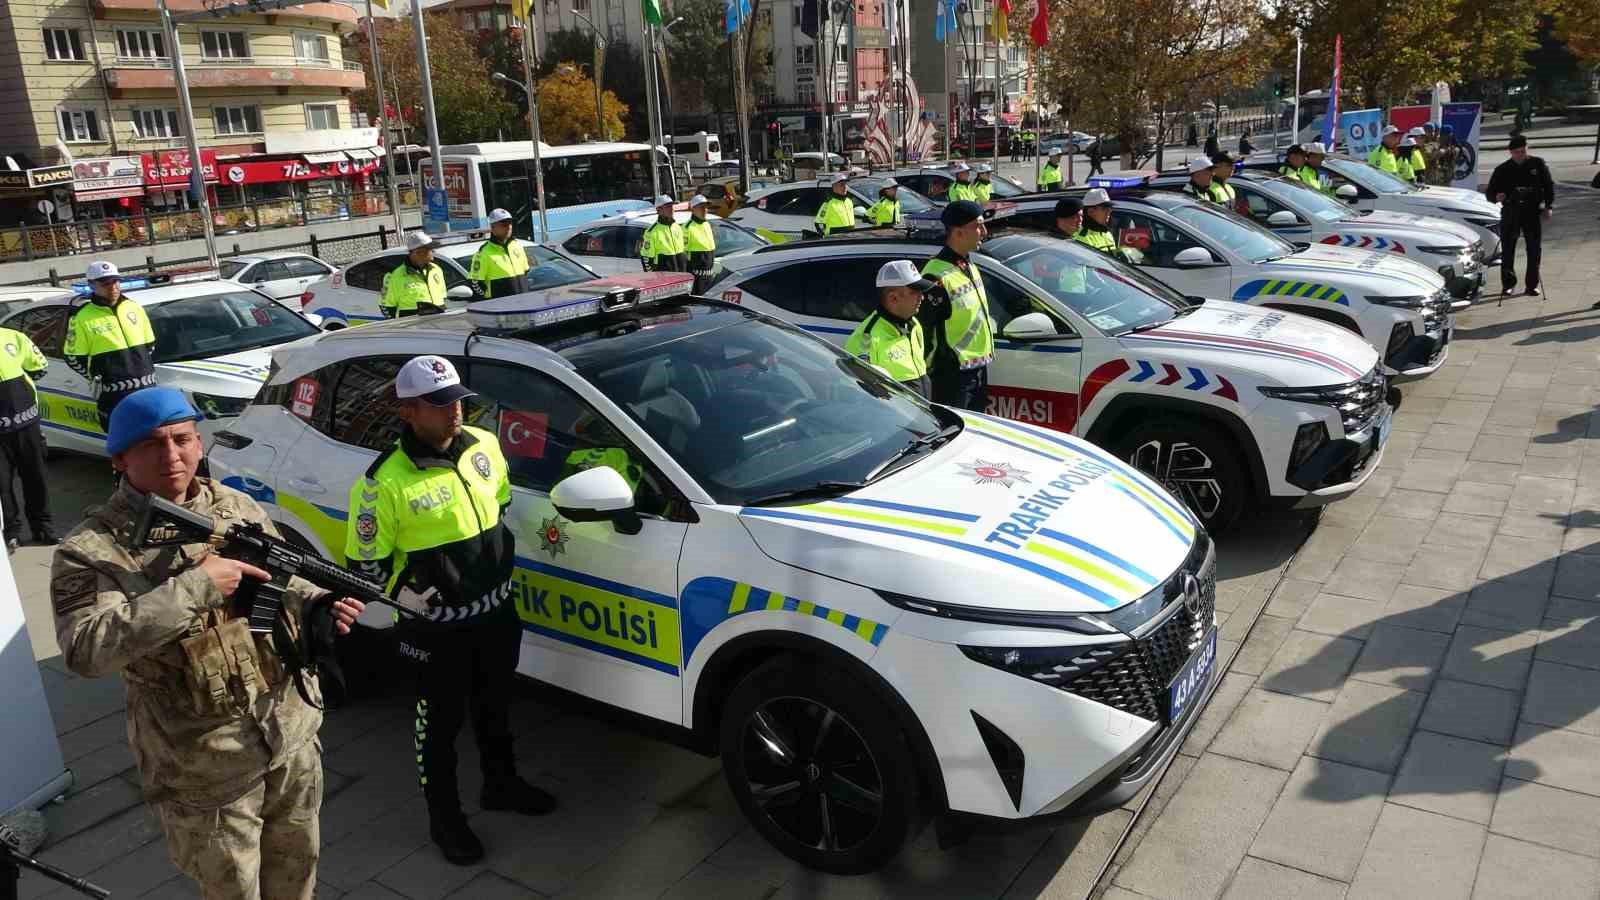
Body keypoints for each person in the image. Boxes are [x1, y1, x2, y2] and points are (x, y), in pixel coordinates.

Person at [51, 386, 364, 900]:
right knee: (233, 889)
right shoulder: (91, 550)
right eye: (153, 444)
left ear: (199, 443)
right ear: (119, 458)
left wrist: (317, 603)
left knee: (297, 872)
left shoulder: (234, 506)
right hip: (202, 765)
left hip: (288, 731)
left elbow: (281, 575)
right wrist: (195, 587)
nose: (172, 456)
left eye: (183, 439)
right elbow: (86, 650)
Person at [345, 355, 554, 866]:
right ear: (410, 411)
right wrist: (407, 592)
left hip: (495, 612)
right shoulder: (382, 484)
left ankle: (500, 784)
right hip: (435, 632)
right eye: (440, 405)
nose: (455, 411)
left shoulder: (483, 445)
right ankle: (446, 819)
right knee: (438, 728)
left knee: (496, 705)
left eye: (457, 399)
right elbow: (363, 568)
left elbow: (499, 507)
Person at [918, 200, 993, 411]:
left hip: (976, 369)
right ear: (958, 232)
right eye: (978, 226)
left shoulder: (966, 264)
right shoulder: (936, 276)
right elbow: (924, 333)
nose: (984, 232)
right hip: (952, 376)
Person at [64, 261, 156, 430]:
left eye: (115, 281)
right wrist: (100, 376)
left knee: (154, 439)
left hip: (147, 388)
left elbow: (150, 345)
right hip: (114, 394)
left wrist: (140, 368)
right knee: (123, 444)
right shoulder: (81, 317)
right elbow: (72, 357)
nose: (112, 287)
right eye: (105, 283)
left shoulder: (134, 307)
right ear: (91, 285)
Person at [845, 260, 935, 399]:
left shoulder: (913, 324)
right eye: (914, 292)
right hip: (895, 418)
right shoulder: (866, 338)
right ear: (893, 298)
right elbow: (860, 395)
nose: (922, 297)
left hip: (920, 415)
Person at [0, 323, 54, 550]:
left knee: (36, 478)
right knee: (1, 485)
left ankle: (43, 528)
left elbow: (39, 367)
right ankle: (11, 532)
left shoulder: (13, 336)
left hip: (26, 424)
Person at [1486, 134, 1555, 297]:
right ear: (1511, 153)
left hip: (1532, 212)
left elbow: (1548, 186)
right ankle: (1508, 285)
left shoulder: (1538, 164)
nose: (1521, 155)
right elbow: (1490, 193)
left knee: (1534, 249)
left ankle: (1532, 285)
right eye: (1517, 152)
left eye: (1523, 151)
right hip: (1511, 212)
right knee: (1508, 249)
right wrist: (1497, 197)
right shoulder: (1502, 169)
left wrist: (1548, 206)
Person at [381, 231, 448, 318]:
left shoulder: (436, 270)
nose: (432, 256)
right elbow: (388, 306)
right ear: (417, 252)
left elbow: (442, 296)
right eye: (429, 251)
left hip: (439, 321)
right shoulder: (396, 276)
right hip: (414, 327)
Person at [468, 208, 529, 300]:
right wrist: (490, 300)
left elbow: (526, 272)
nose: (509, 226)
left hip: (525, 303)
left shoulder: (517, 246)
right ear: (493, 227)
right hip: (501, 308)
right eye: (504, 224)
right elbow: (475, 283)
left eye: (510, 223)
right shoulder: (484, 252)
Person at [640, 194, 688, 271]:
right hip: (665, 279)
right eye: (668, 207)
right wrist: (653, 278)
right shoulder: (651, 232)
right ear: (659, 210)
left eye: (672, 206)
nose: (671, 209)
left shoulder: (678, 227)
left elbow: (684, 252)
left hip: (681, 277)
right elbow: (646, 258)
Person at [683, 194, 717, 292]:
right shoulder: (687, 227)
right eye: (701, 207)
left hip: (709, 276)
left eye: (706, 207)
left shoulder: (707, 224)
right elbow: (682, 254)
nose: (704, 210)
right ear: (693, 209)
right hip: (696, 278)